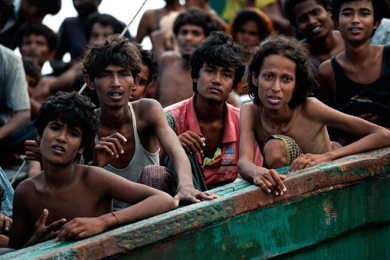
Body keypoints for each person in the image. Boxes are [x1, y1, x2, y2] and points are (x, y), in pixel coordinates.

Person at [9, 92, 178, 249]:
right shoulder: (25, 192)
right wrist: (34, 242)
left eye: (73, 133)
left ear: (82, 147)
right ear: (39, 135)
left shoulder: (93, 178)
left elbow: (164, 200)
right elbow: (15, 250)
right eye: (55, 127)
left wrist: (102, 222)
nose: (61, 138)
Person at [238, 35, 390, 196]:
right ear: (255, 78)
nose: (276, 87)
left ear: (296, 85)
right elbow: (243, 161)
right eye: (269, 76)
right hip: (287, 192)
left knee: (275, 147)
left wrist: (327, 157)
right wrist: (256, 172)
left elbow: (383, 134)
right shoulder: (250, 111)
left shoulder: (310, 107)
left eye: (286, 79)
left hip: (329, 188)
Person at [82, 35, 216, 209]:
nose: (116, 83)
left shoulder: (147, 110)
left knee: (155, 174)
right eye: (106, 75)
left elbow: (175, 150)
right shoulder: (85, 123)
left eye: (123, 74)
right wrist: (95, 166)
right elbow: (74, 185)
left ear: (136, 81)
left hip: (154, 209)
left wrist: (186, 186)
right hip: (105, 217)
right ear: (91, 82)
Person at [164, 32, 263, 190]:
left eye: (226, 74)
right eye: (210, 71)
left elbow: (252, 173)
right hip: (180, 205)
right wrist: (173, 147)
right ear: (196, 75)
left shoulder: (244, 122)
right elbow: (149, 167)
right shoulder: (168, 119)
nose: (217, 80)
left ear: (233, 85)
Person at [317, 0, 390, 129]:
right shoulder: (328, 71)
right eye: (347, 13)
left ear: (376, 23)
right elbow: (323, 122)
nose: (355, 20)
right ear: (336, 22)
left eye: (364, 13)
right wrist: (350, 123)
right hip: (352, 145)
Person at [155, 8, 239, 108]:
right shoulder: (166, 60)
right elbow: (155, 98)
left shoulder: (211, 75)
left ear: (207, 40)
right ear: (176, 36)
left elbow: (234, 112)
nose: (188, 38)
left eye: (195, 33)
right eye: (184, 32)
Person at [50, 0, 131, 75]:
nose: (77, 4)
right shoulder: (69, 24)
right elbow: (53, 58)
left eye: (106, 35)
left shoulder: (118, 26)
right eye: (95, 35)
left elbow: (133, 58)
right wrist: (67, 66)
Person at [284, 0, 345, 64]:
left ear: (329, 11)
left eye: (315, 12)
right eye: (303, 19)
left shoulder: (350, 40)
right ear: (296, 26)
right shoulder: (297, 59)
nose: (312, 21)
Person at [16, 21, 57, 105]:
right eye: (28, 43)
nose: (32, 47)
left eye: (39, 43)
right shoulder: (4, 76)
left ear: (51, 53)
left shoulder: (54, 86)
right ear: (20, 49)